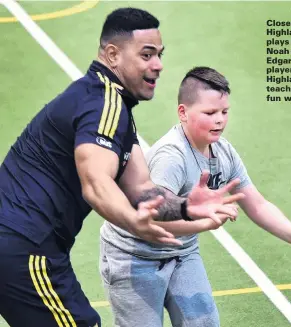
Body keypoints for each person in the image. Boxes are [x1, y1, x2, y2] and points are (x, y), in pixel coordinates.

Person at [0, 9, 242, 327]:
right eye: (146, 54)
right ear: (113, 54)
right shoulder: (103, 104)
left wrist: (185, 207)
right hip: (24, 245)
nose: (158, 65)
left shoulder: (111, 106)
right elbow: (97, 182)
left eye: (159, 55)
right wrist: (132, 222)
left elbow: (141, 189)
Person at [100, 66, 291, 327]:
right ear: (183, 113)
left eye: (224, 112)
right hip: (135, 256)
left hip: (181, 252)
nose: (220, 119)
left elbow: (256, 203)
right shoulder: (171, 158)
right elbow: (155, 219)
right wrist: (204, 222)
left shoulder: (223, 152)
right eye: (210, 113)